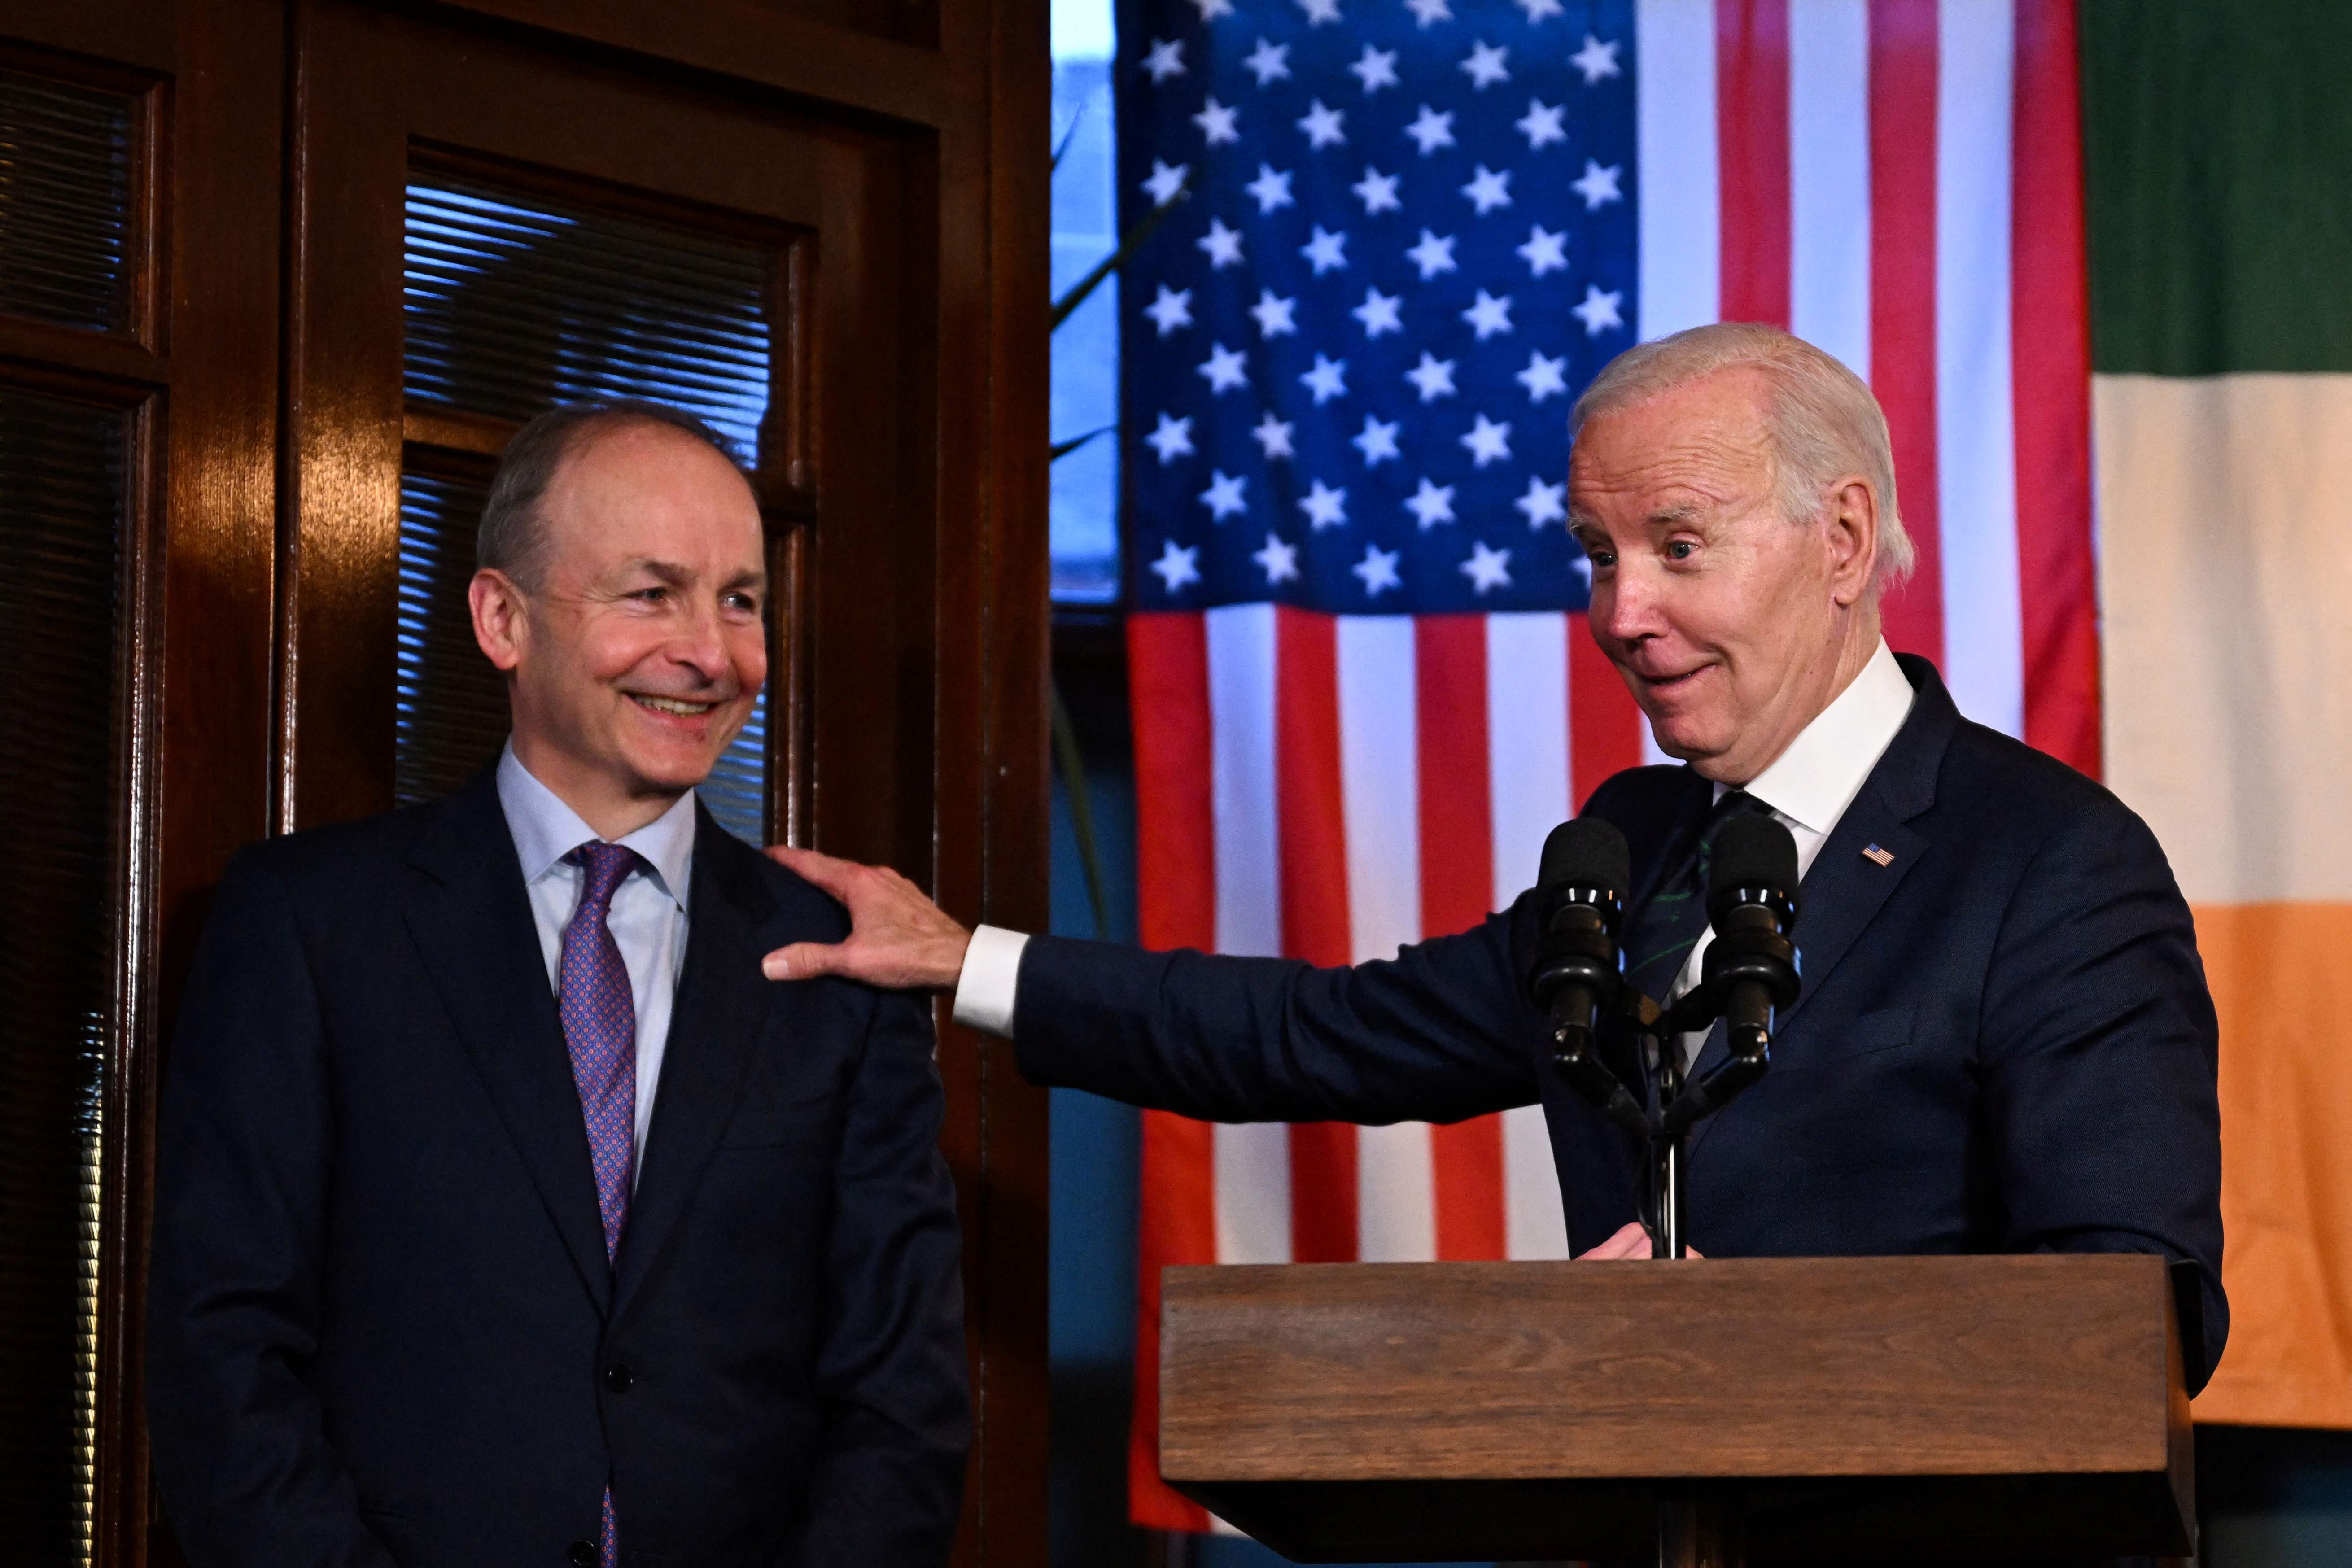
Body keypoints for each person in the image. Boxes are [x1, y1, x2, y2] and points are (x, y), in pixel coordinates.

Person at [756, 323, 2227, 1386]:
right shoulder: (1639, 854)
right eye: (1596, 553)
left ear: (1841, 539)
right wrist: (967, 962)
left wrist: (1780, 1351)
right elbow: (1319, 1036)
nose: (1619, 612)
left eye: (1674, 544)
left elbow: (2130, 1319)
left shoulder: (2049, 864)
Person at [147, 402, 969, 1567]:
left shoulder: (840, 956)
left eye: (739, 600)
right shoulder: (312, 922)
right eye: (652, 593)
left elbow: (903, 1394)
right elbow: (221, 1347)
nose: (711, 653)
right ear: (501, 619)